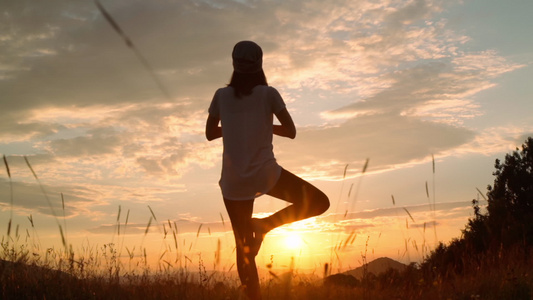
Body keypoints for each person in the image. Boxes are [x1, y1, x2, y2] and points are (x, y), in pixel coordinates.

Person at [205, 41, 330, 300]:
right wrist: (261, 124)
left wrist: (239, 126)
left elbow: (209, 134)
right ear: (260, 64)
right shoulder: (268, 94)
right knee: (319, 202)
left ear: (233, 64)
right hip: (266, 174)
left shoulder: (221, 95)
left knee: (243, 248)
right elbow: (291, 132)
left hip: (233, 181)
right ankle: (265, 225)